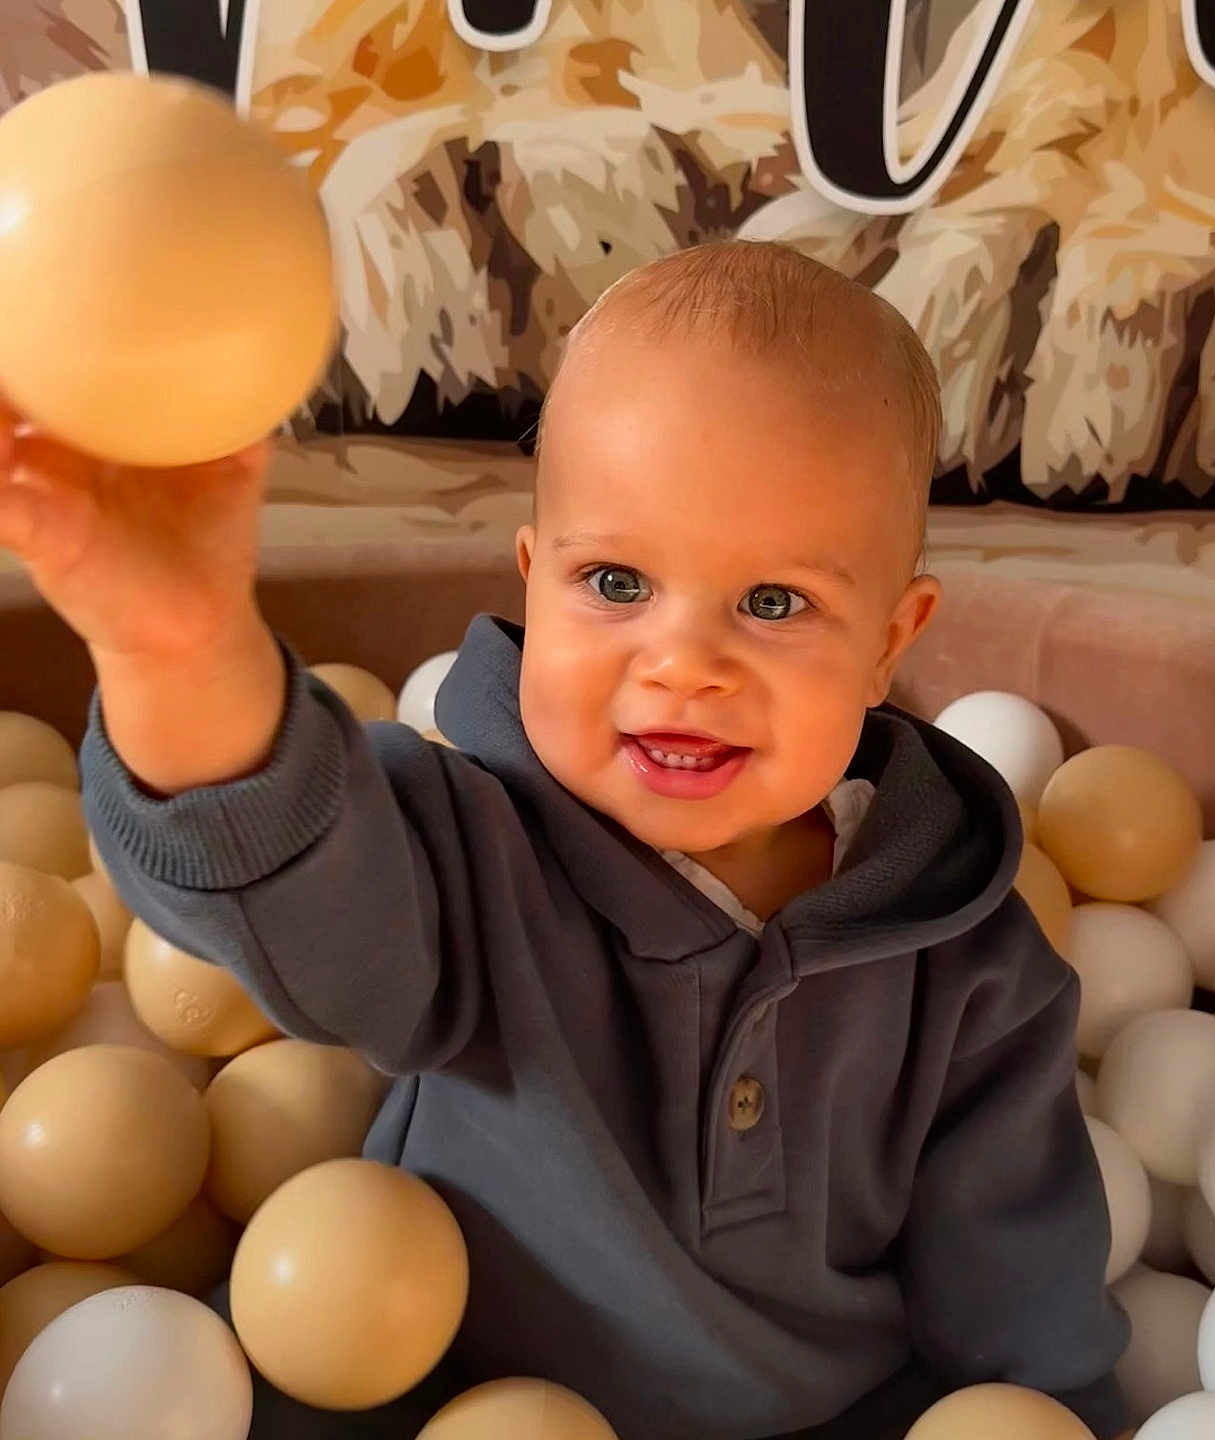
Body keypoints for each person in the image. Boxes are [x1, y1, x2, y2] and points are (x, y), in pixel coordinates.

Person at [0, 240, 1128, 1439]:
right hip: (436, 1393)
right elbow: (287, 877)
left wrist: (1069, 1409)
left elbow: (1017, 1286)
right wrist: (178, 650)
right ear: (534, 582)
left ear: (893, 641)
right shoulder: (471, 849)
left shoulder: (968, 958)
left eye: (775, 603)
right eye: (617, 583)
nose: (684, 663)